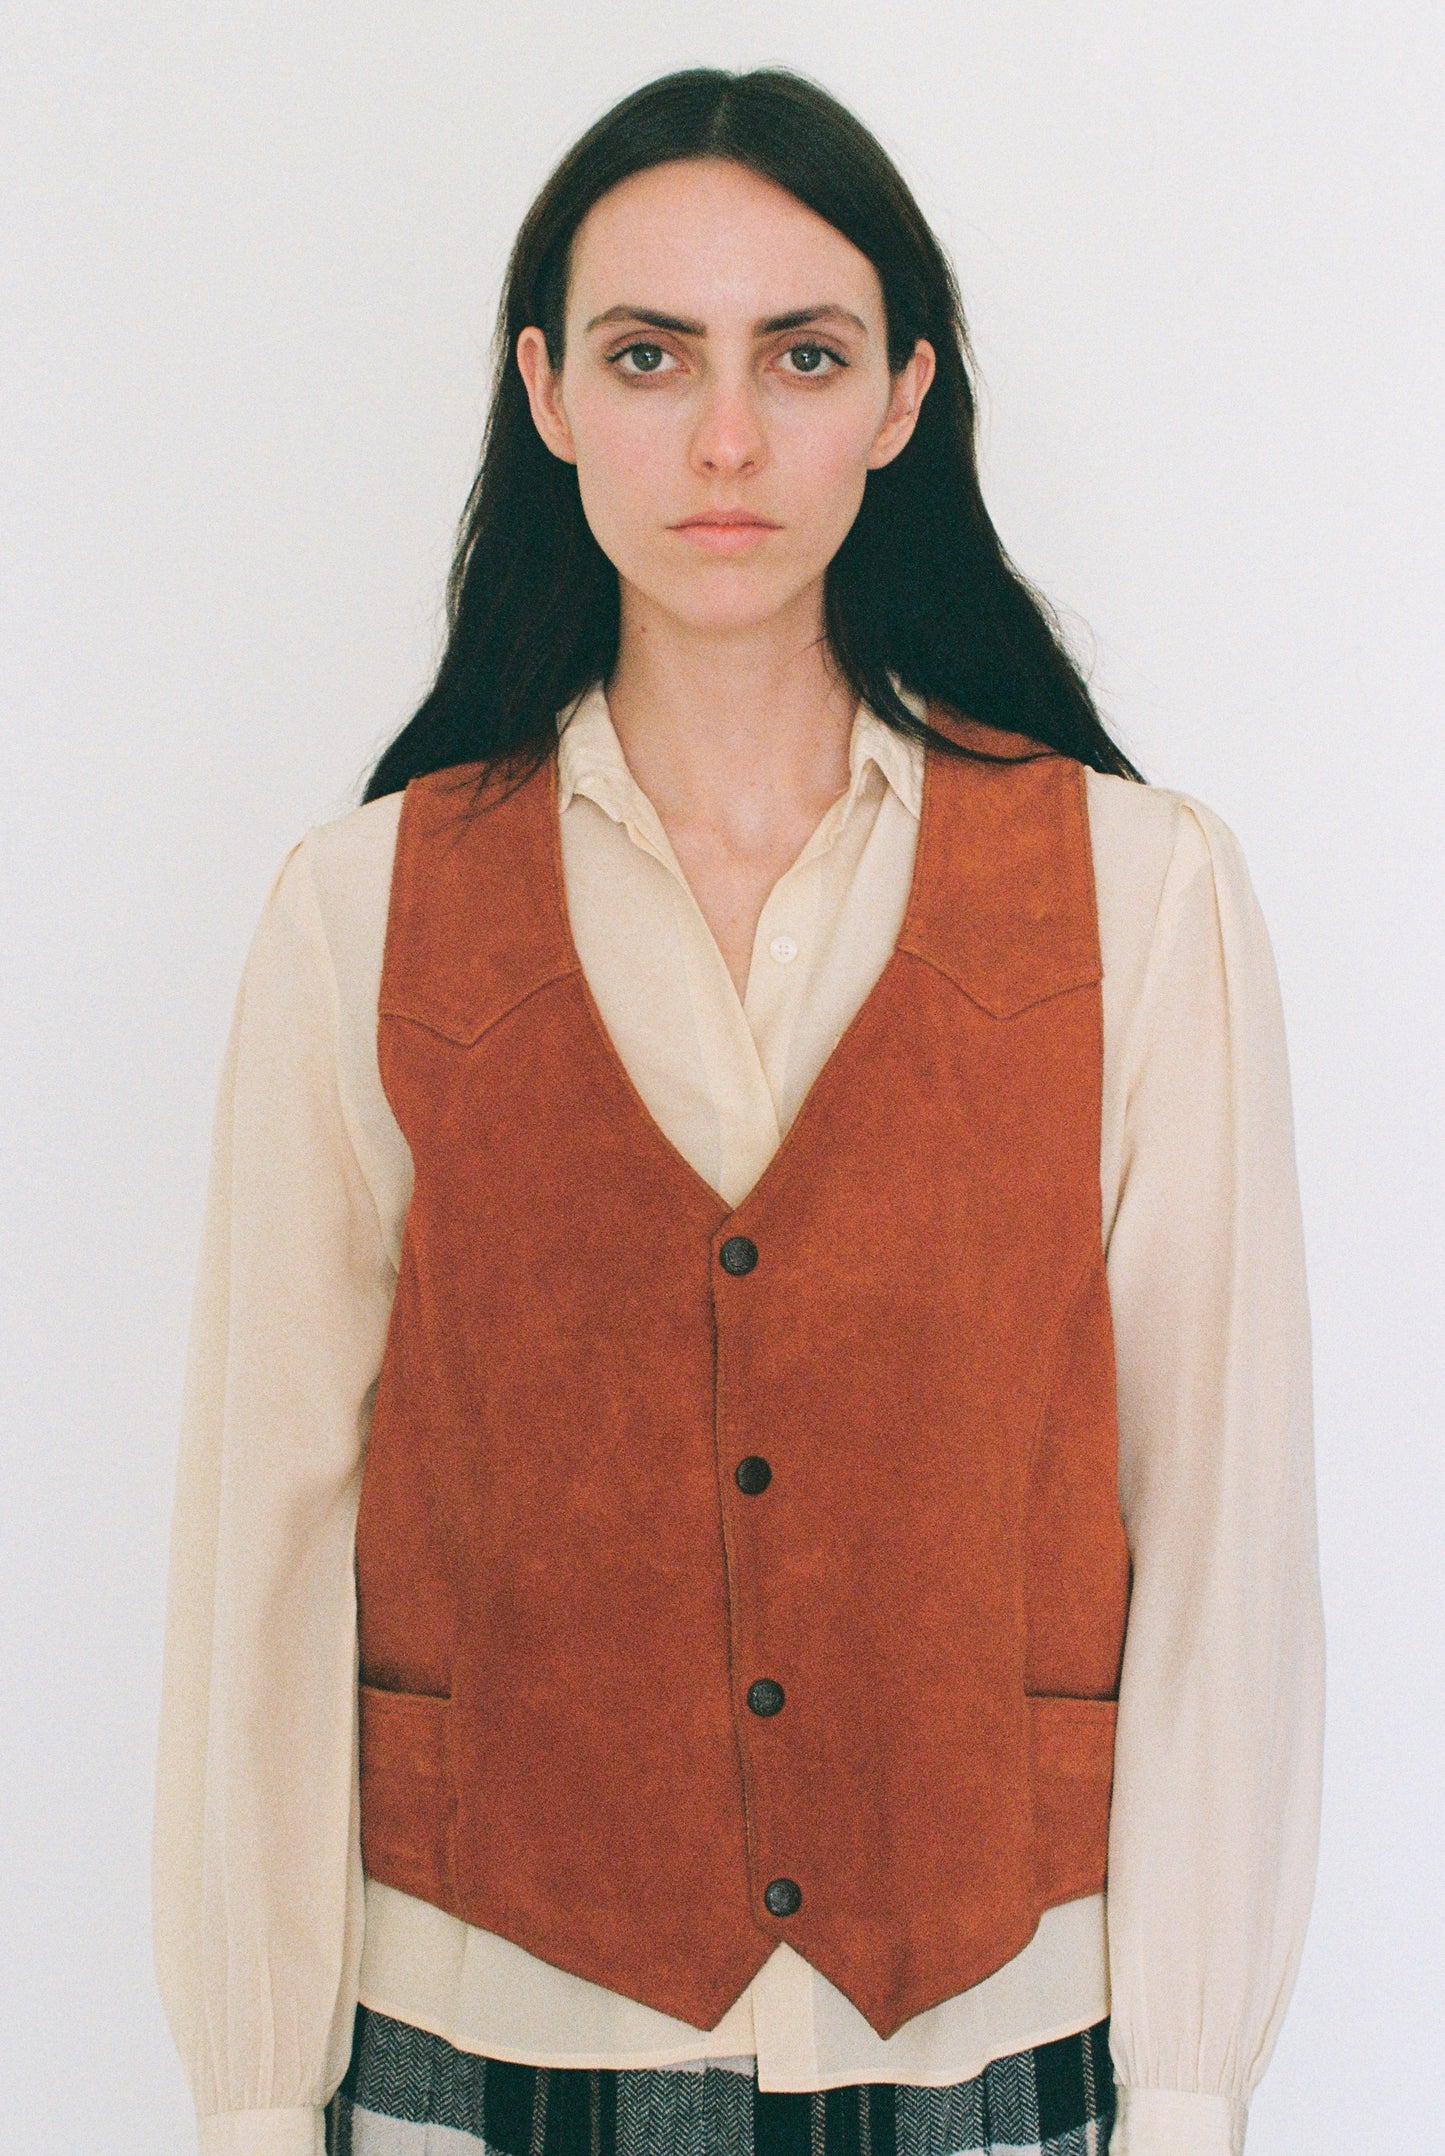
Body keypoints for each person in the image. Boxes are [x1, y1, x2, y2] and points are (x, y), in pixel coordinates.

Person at [152, 66, 1324, 2156]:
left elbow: (1221, 1525)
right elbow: (264, 1546)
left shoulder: (1141, 900)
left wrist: (1197, 2086)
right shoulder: (362, 912)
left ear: (899, 398)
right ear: (545, 391)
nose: (722, 438)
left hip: (991, 2047)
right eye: (646, 355)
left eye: (800, 356)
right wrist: (251, 2101)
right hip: (476, 2052)